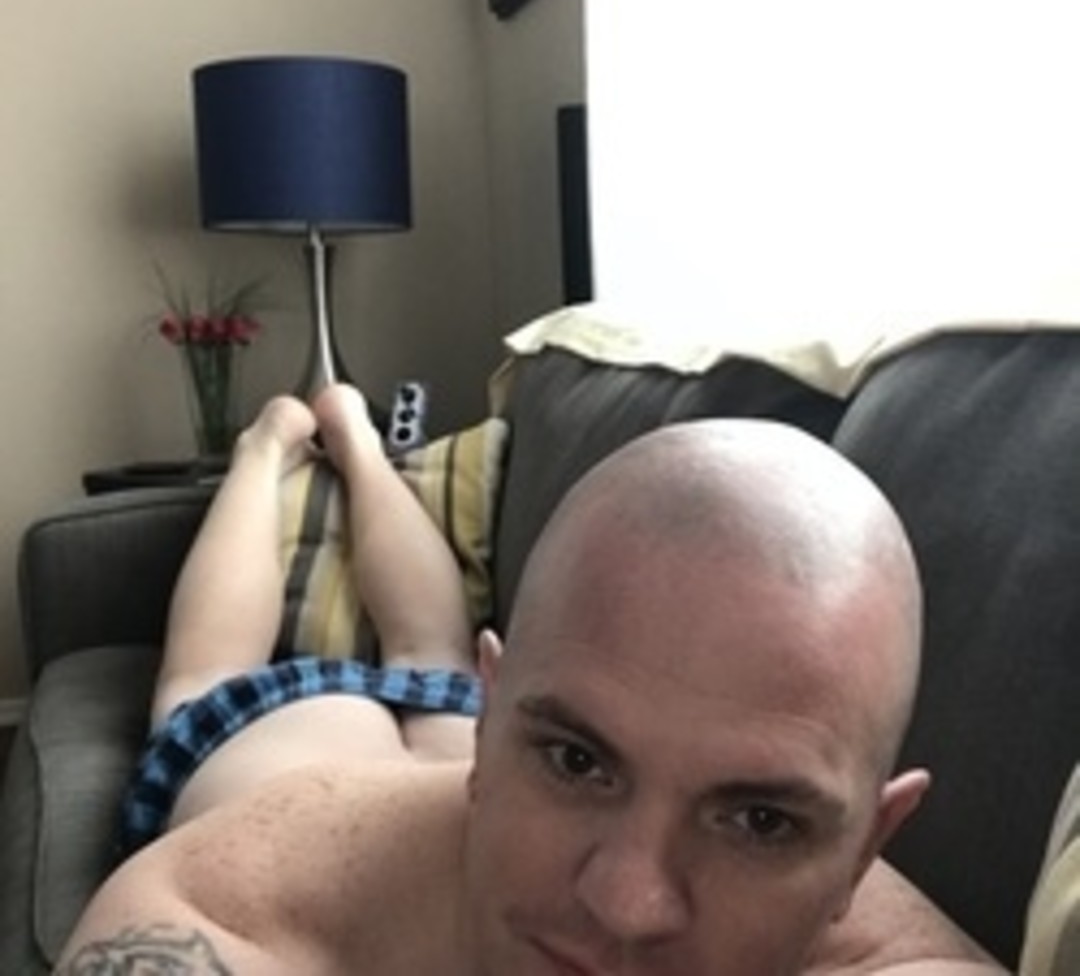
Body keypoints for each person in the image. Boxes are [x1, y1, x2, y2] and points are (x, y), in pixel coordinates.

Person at [55, 385, 1005, 975]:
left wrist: (556, 757)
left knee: (430, 650)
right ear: (500, 720)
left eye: (759, 820)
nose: (629, 904)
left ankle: (358, 439)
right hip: (271, 740)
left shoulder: (876, 929)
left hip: (461, 714)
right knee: (204, 672)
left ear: (866, 849)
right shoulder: (215, 914)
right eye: (578, 761)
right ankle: (270, 445)